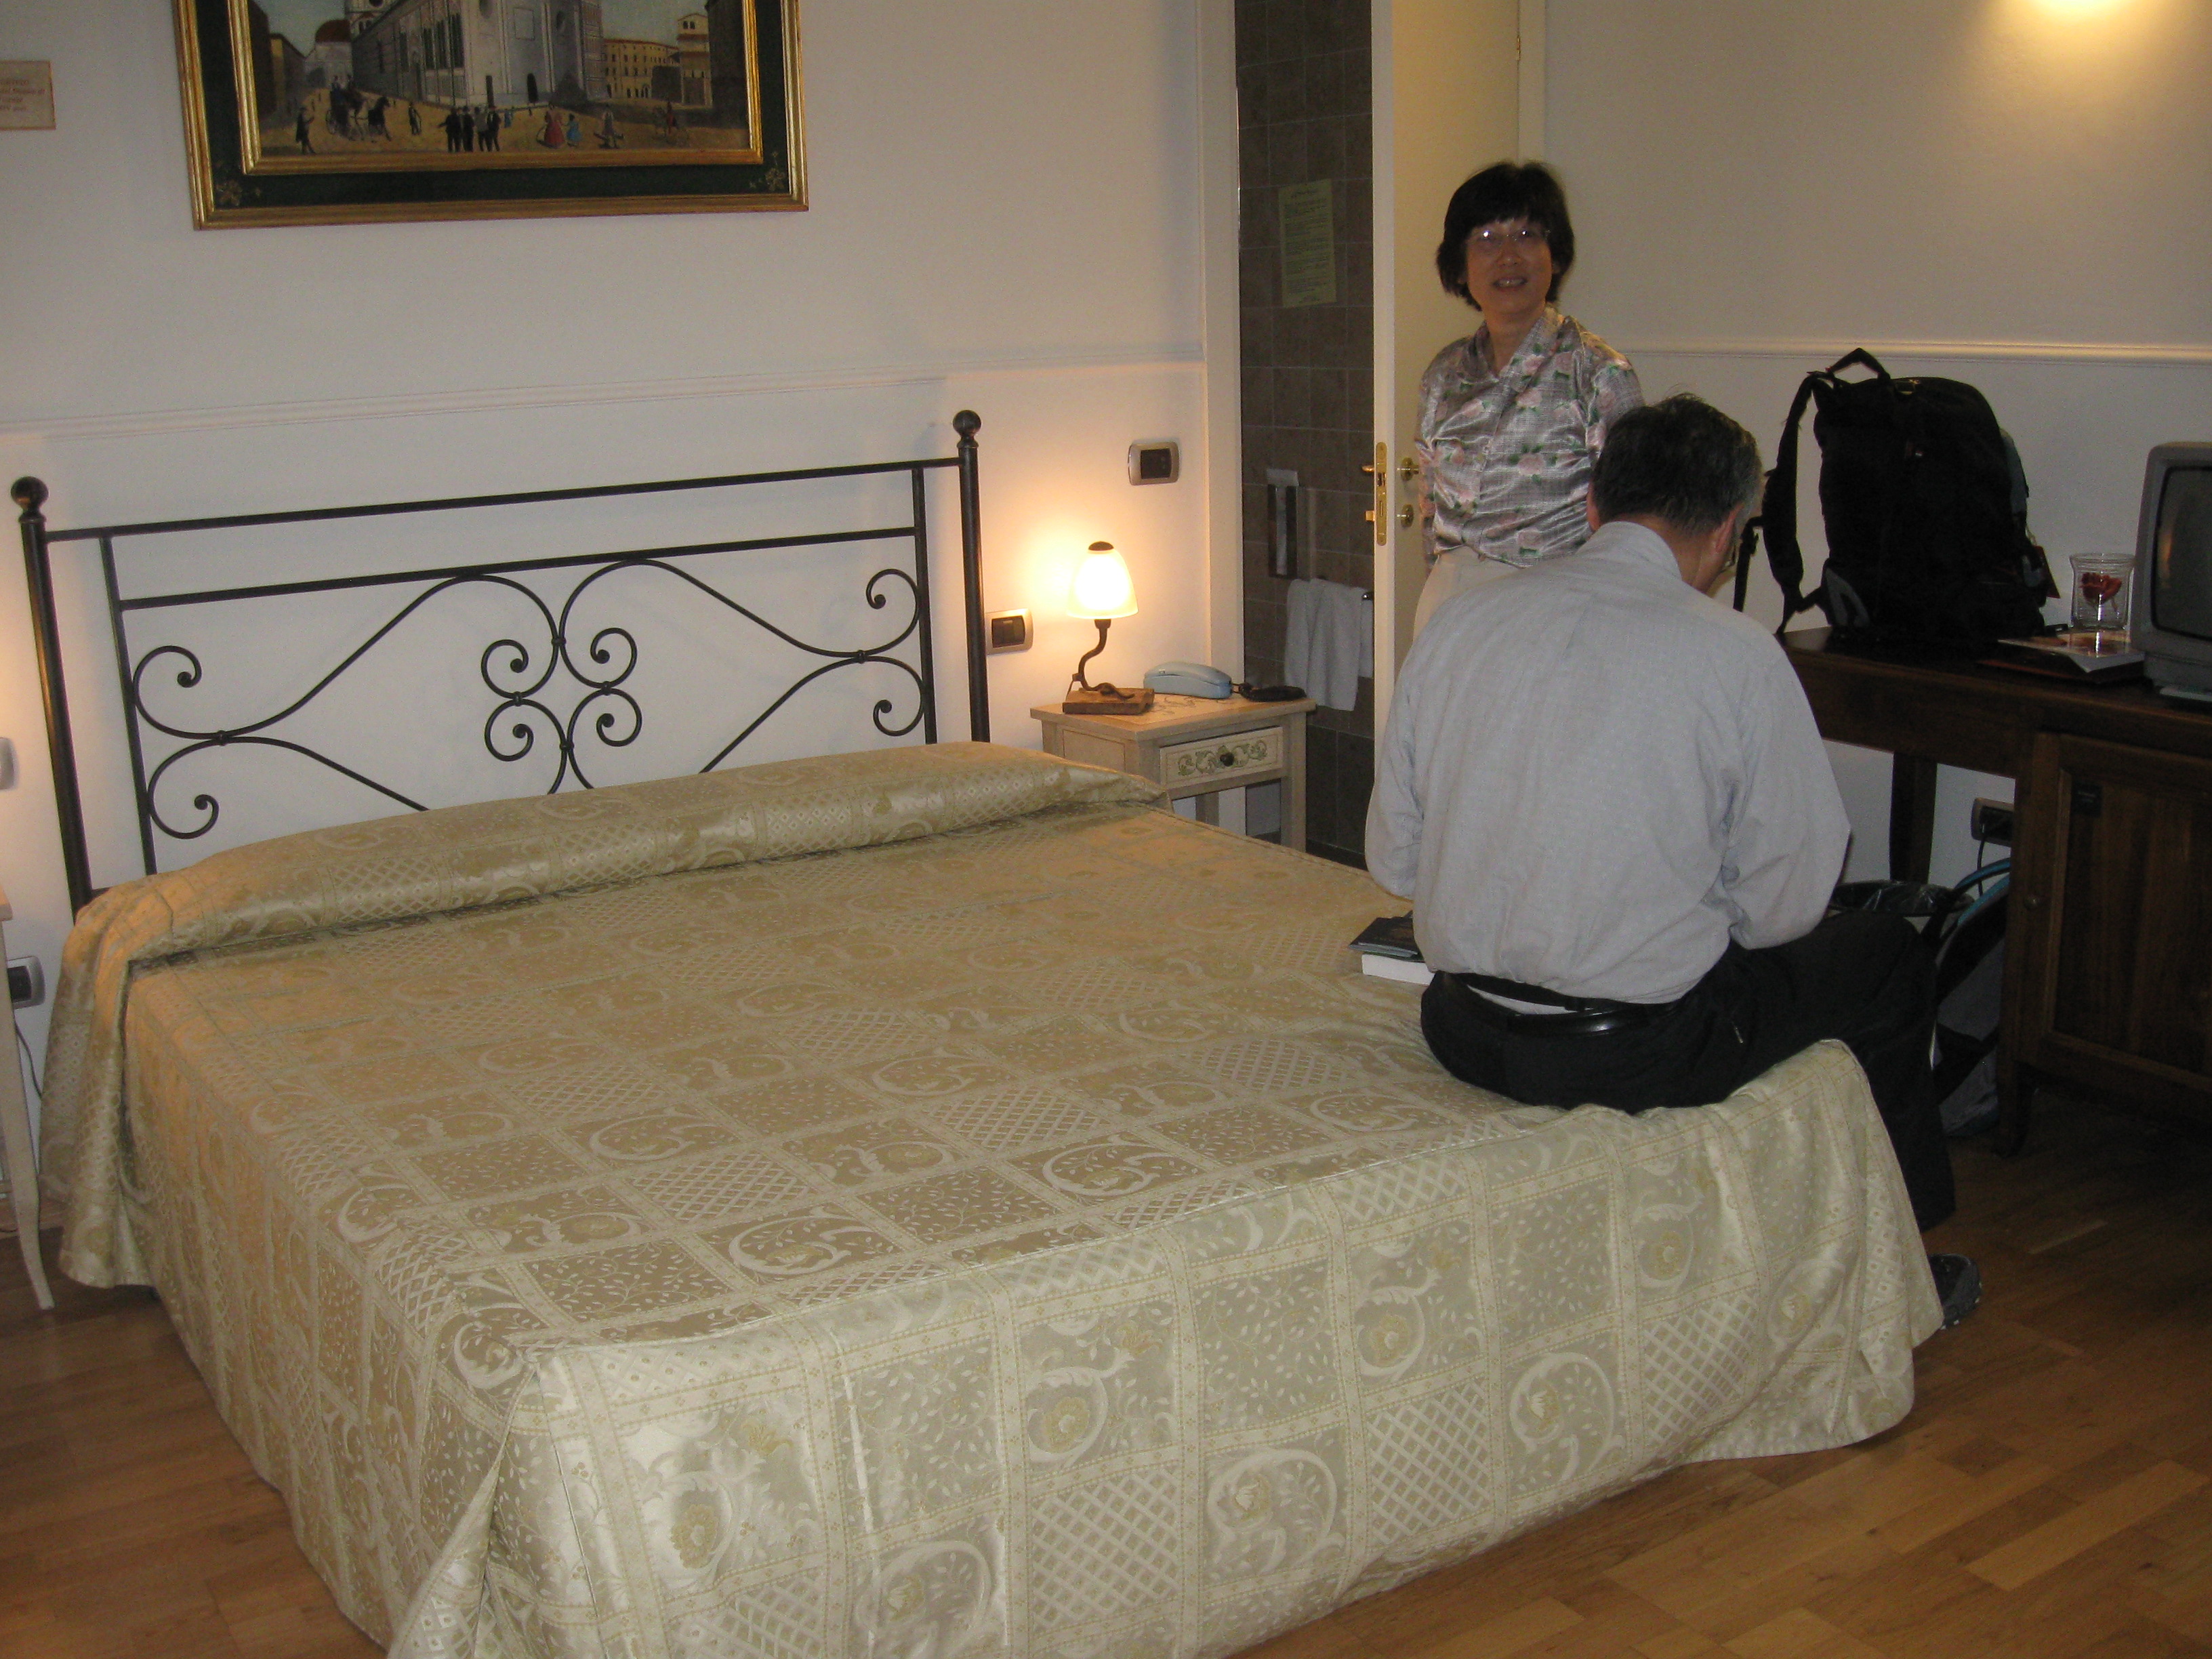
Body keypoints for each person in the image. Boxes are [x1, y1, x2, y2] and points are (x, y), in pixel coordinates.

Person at [1367, 392, 1978, 1321]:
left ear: (1593, 504)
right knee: (1888, 954)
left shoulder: (1460, 624)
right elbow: (1785, 907)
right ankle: (1900, 1263)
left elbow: (1396, 863)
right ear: (1728, 531)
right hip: (1633, 1054)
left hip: (1464, 1028)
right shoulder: (1736, 655)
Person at [1411, 161, 1643, 635]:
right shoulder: (1443, 374)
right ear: (1460, 265)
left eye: (1527, 235)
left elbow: (1631, 518)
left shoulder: (1598, 372)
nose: (1508, 257)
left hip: (1555, 607)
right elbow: (1430, 505)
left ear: (1555, 256)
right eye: (1487, 239)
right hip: (1450, 601)